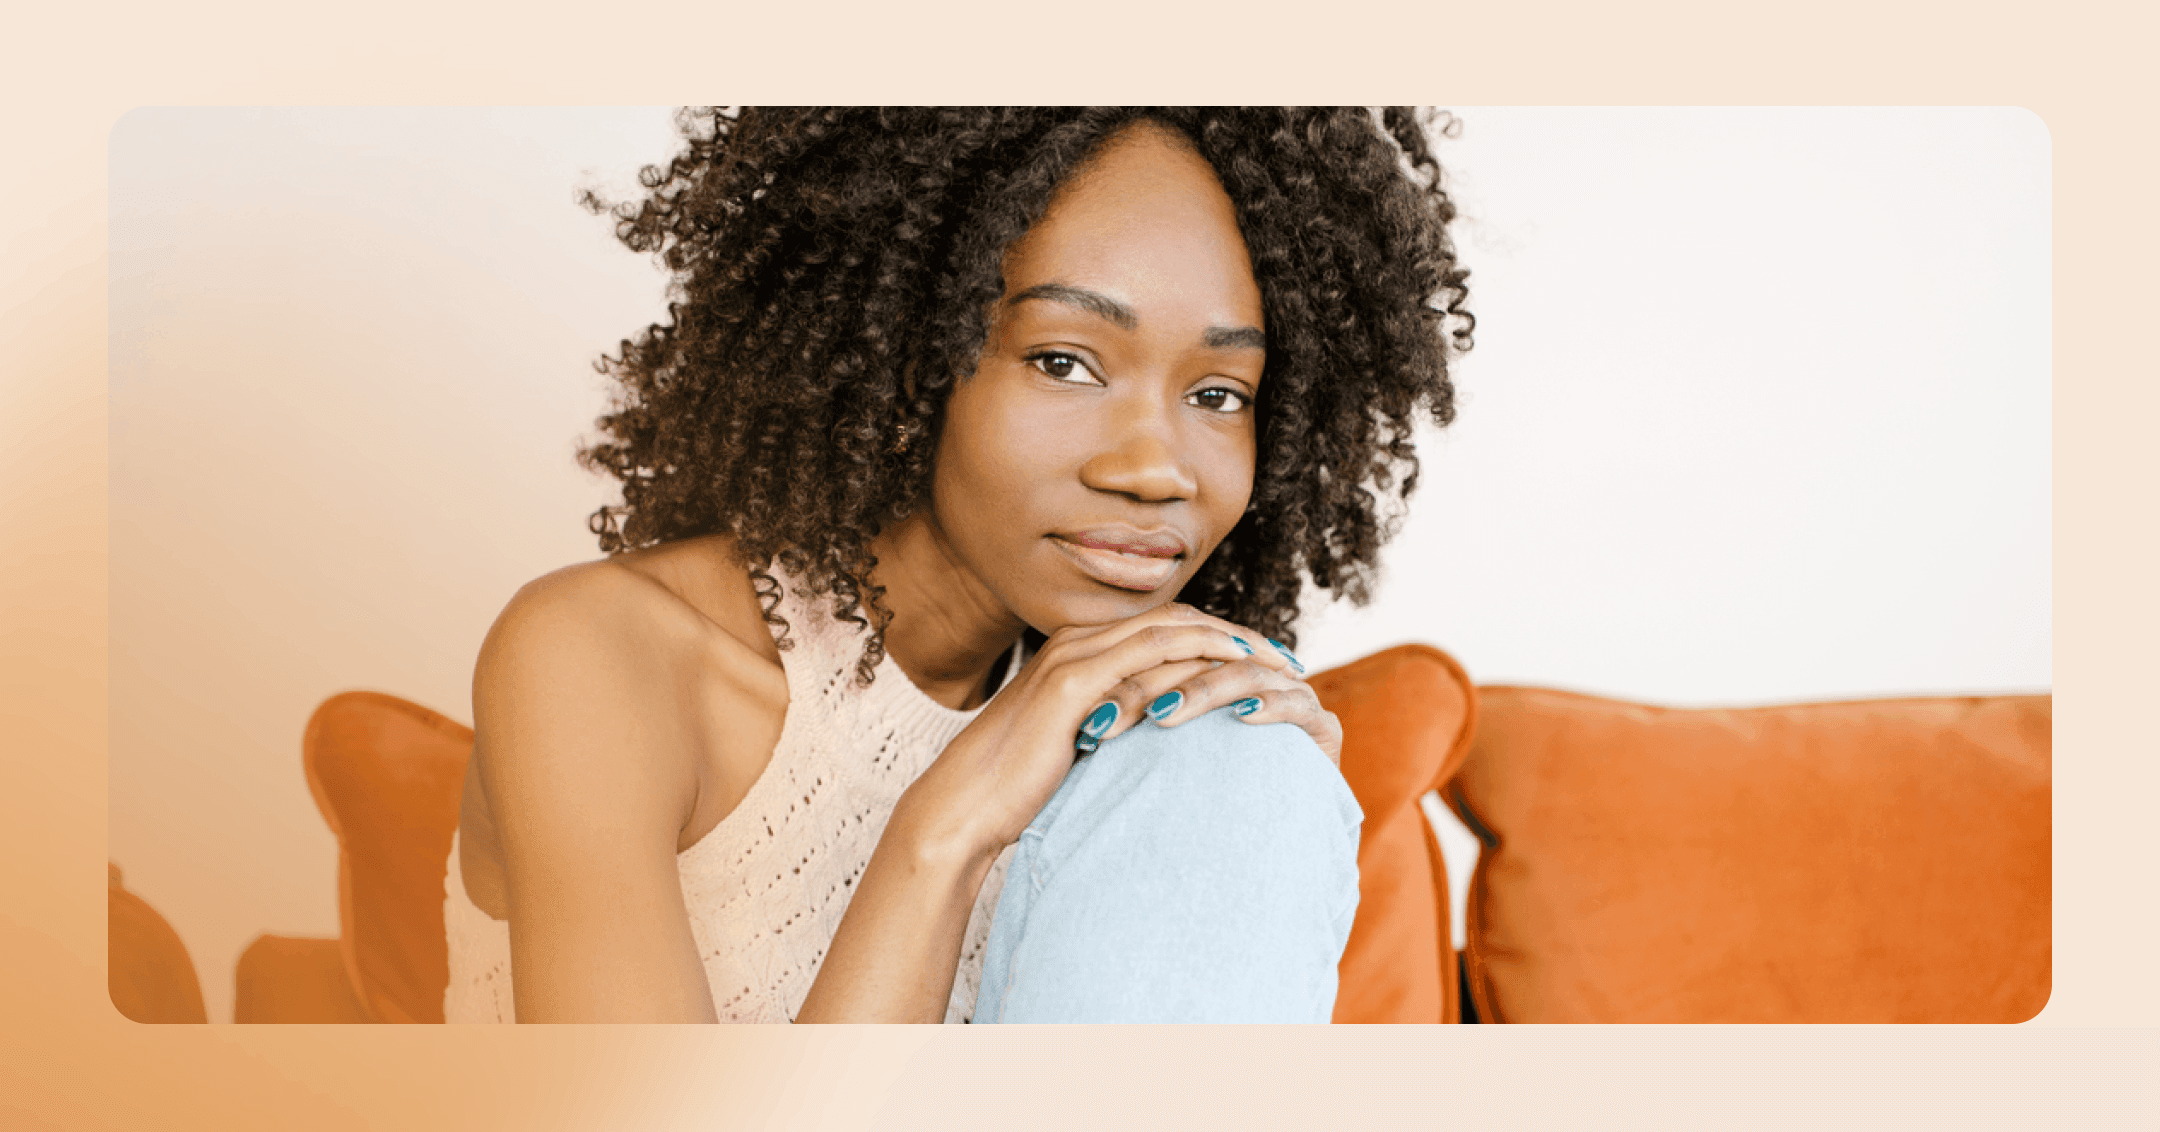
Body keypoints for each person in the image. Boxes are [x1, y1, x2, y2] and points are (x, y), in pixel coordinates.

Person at [441, 107, 1472, 1023]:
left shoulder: (1129, 736)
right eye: (1064, 361)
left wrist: (1261, 828)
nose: (1157, 468)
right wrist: (946, 829)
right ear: (907, 364)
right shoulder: (597, 656)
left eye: (1219, 394)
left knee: (1249, 776)